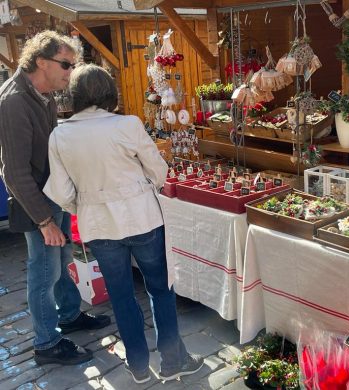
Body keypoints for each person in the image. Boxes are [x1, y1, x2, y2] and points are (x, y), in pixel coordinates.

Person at [43, 64, 204, 384]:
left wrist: (86, 204)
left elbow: (61, 192)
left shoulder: (60, 135)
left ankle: (139, 365)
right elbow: (158, 170)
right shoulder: (127, 124)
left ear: (75, 96)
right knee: (160, 289)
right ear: (108, 91)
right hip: (141, 216)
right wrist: (142, 190)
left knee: (121, 296)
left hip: (99, 225)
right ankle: (173, 360)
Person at [0, 31, 110, 366]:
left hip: (54, 197)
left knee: (61, 262)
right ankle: (46, 343)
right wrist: (44, 221)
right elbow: (14, 173)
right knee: (43, 271)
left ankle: (69, 315)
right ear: (41, 61)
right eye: (65, 64)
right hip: (38, 205)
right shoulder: (14, 101)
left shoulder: (42, 94)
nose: (70, 72)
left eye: (73, 65)